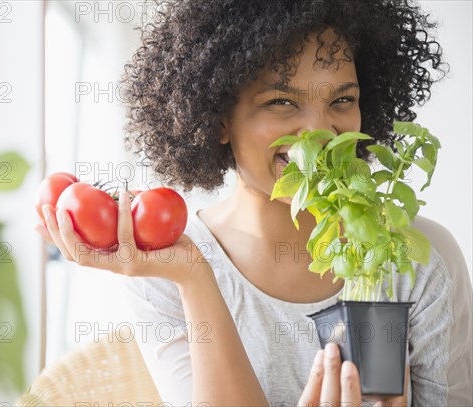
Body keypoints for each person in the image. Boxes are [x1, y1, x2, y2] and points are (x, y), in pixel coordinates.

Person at [36, 0, 473, 405]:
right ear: (219, 118)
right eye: (281, 101)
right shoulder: (165, 270)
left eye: (342, 99)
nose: (320, 131)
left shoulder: (420, 259)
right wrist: (193, 276)